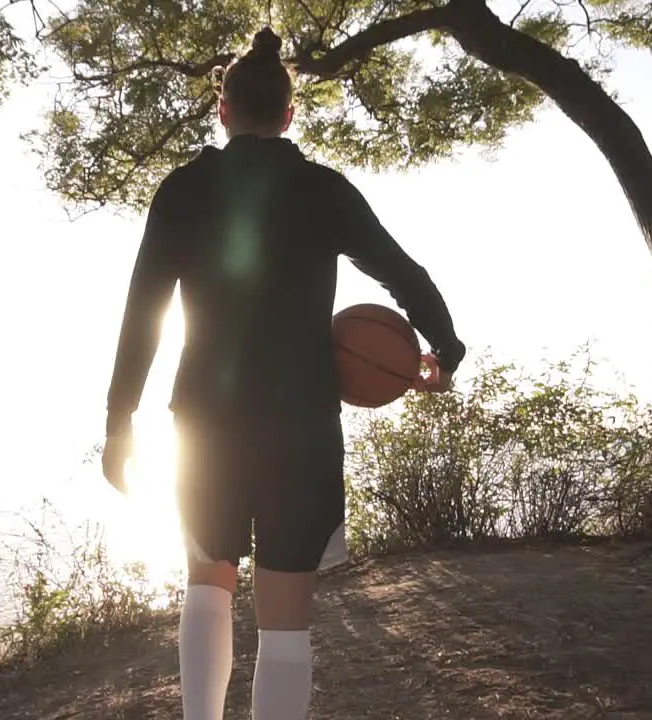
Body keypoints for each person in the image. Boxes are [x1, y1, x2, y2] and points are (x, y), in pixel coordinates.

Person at [100, 26, 466, 720]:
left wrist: (120, 422)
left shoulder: (182, 189)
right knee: (285, 616)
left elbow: (141, 315)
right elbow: (401, 271)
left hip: (205, 420)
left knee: (208, 583)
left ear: (224, 111)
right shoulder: (321, 189)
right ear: (290, 115)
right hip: (301, 424)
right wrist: (443, 348)